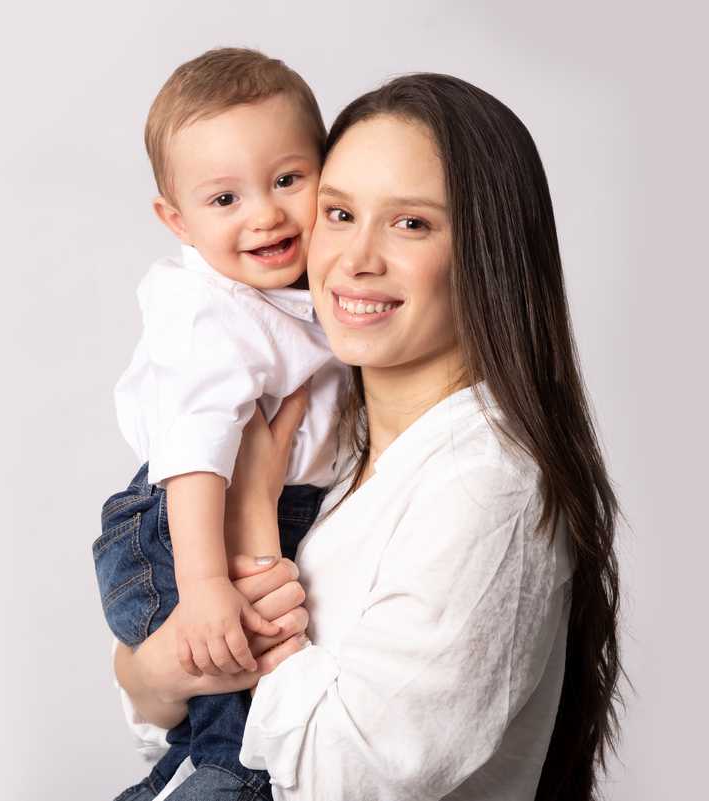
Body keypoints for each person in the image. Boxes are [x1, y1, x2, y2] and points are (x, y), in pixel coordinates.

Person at [114, 73, 623, 801]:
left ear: (489, 254)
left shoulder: (485, 483)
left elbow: (342, 778)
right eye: (339, 212)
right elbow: (165, 718)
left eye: (410, 223)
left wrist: (253, 523)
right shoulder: (329, 444)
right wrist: (154, 672)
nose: (356, 257)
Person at [94, 48, 346, 799]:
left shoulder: (290, 295)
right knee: (243, 758)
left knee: (215, 750)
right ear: (177, 221)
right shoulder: (206, 310)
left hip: (241, 514)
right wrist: (205, 584)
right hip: (181, 527)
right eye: (225, 199)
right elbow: (196, 451)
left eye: (287, 180)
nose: (264, 213)